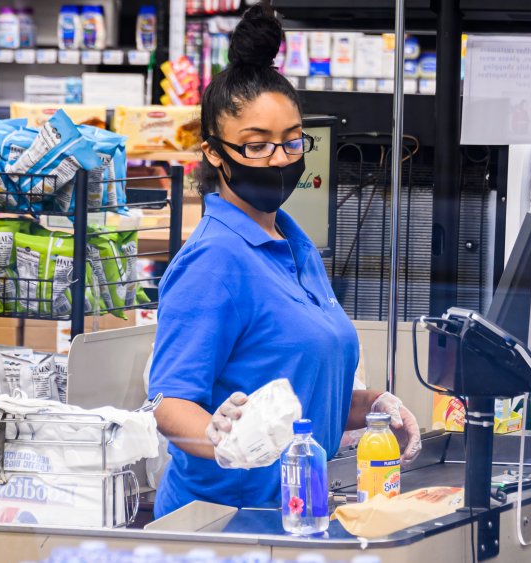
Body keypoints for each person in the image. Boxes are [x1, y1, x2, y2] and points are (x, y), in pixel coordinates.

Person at [147, 4, 422, 519]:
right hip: (220, 523)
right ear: (213, 152)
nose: (279, 158)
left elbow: (300, 401)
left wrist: (374, 406)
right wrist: (217, 436)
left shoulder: (294, 245)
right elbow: (168, 404)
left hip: (292, 513)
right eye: (256, 146)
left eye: (292, 141)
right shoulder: (214, 261)